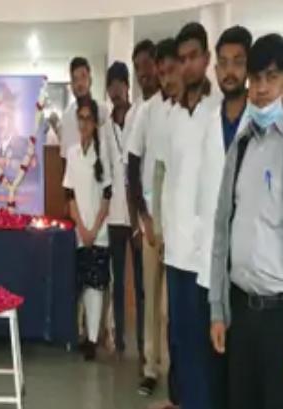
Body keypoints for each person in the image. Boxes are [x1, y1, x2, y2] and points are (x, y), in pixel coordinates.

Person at [210, 33, 283, 409]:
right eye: (255, 78)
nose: (260, 89)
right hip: (241, 315)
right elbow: (222, 231)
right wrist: (218, 309)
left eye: (271, 78)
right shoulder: (241, 146)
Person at [152, 22, 221, 409]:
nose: (187, 65)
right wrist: (162, 233)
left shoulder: (218, 113)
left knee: (203, 347)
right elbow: (166, 179)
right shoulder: (173, 117)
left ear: (206, 59)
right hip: (176, 253)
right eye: (182, 59)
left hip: (206, 258)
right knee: (179, 340)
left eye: (194, 57)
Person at [193, 25, 253, 409]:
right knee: (212, 369)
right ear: (215, 69)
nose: (229, 71)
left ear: (248, 68)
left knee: (242, 376)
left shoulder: (261, 122)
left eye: (238, 63)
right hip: (211, 266)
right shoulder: (206, 122)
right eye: (224, 63)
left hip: (250, 270)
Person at [126, 38, 176, 397]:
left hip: (181, 220)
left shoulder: (187, 109)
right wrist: (142, 218)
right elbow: (132, 166)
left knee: (170, 307)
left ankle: (174, 368)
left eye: (154, 65)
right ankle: (150, 367)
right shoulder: (147, 111)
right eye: (142, 67)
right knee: (150, 297)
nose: (150, 73)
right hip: (152, 218)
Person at [63, 96, 112, 362]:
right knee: (81, 284)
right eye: (80, 119)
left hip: (99, 231)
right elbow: (69, 194)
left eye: (88, 119)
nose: (84, 124)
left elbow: (107, 195)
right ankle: (82, 334)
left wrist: (94, 228)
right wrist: (82, 227)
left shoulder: (103, 154)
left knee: (96, 287)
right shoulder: (72, 153)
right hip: (79, 231)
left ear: (95, 123)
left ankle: (93, 339)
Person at [104, 61, 144, 366]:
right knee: (116, 280)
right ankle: (119, 339)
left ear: (127, 86)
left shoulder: (138, 117)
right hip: (114, 215)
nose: (116, 90)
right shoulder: (105, 126)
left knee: (140, 283)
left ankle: (143, 343)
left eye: (120, 84)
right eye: (111, 86)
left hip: (136, 216)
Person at [59, 57, 112, 163]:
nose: (79, 84)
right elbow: (64, 158)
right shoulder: (66, 116)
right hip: (75, 172)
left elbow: (110, 150)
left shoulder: (103, 111)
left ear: (90, 80)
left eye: (83, 77)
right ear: (71, 85)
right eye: (75, 79)